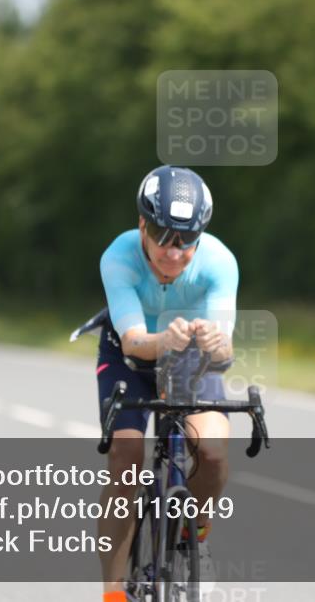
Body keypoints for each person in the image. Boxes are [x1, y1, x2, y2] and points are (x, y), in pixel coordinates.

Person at [96, 165, 238, 602]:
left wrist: (216, 345)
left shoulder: (219, 262)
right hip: (129, 356)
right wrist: (163, 339)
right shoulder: (118, 257)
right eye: (162, 236)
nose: (173, 253)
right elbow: (136, 341)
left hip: (189, 360)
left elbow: (226, 355)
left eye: (186, 241)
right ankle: (114, 593)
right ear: (142, 224)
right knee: (126, 455)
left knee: (211, 453)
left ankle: (195, 535)